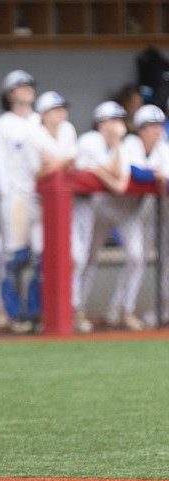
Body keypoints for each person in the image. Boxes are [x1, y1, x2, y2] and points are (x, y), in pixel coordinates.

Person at [83, 105, 168, 330]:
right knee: (88, 257)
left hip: (130, 211)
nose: (157, 130)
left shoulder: (163, 149)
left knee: (136, 256)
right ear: (141, 129)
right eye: (151, 126)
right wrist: (155, 175)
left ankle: (123, 311)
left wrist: (159, 176)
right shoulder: (130, 143)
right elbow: (134, 173)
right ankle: (78, 307)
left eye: (159, 125)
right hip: (105, 205)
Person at [0, 69, 40, 332]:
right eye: (20, 86)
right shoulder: (2, 124)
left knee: (40, 255)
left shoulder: (40, 121)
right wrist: (6, 192)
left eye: (29, 85)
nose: (27, 89)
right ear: (10, 94)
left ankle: (34, 311)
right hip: (16, 196)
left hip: (40, 199)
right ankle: (6, 309)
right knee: (12, 255)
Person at [72, 101, 129, 333]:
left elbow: (121, 185)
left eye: (120, 120)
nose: (118, 125)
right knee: (76, 258)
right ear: (101, 123)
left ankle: (78, 309)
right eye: (113, 120)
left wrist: (102, 171)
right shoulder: (90, 140)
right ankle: (71, 310)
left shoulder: (118, 146)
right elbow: (116, 173)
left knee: (87, 258)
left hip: (95, 207)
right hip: (76, 206)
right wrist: (115, 145)